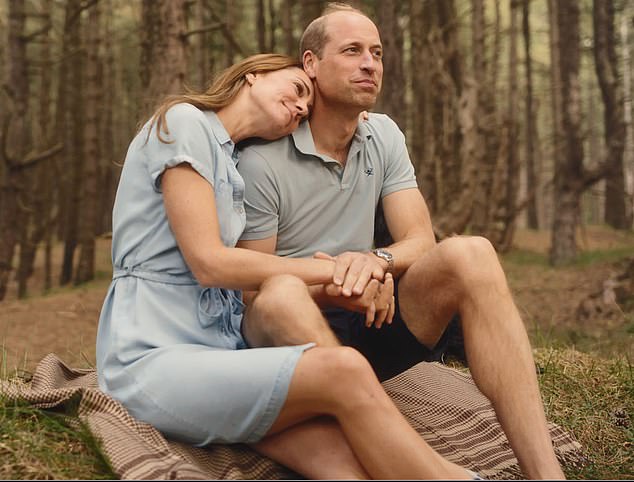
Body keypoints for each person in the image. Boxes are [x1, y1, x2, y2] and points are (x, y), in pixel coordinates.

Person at [95, 53, 484, 479]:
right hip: (154, 353)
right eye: (297, 89)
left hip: (224, 351)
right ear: (251, 75)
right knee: (344, 368)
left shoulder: (234, 162)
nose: (301, 107)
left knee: (343, 464)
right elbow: (209, 262)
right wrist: (340, 270)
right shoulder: (186, 122)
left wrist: (349, 114)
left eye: (305, 109)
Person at [236, 5, 566, 481]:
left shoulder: (383, 134)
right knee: (279, 297)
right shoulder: (263, 160)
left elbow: (419, 239)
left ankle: (545, 473)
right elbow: (249, 292)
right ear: (310, 63)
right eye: (352, 51)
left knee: (470, 252)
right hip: (291, 339)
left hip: (373, 318)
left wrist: (374, 262)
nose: (370, 63)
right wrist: (338, 284)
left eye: (377, 52)